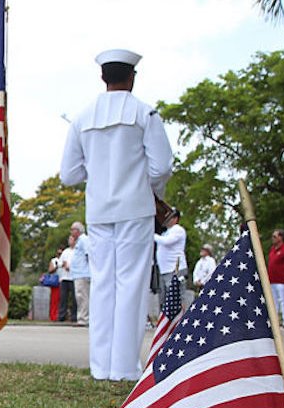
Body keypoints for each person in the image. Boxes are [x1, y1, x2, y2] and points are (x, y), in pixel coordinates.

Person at [60, 49, 173, 381]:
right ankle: (123, 367)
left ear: (102, 77)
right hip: (135, 209)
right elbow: (162, 167)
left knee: (103, 285)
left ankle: (101, 366)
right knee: (131, 286)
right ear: (132, 77)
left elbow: (69, 174)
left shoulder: (82, 118)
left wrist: (96, 171)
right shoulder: (145, 113)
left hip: (99, 211)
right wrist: (151, 191)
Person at [151, 207, 187, 319]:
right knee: (165, 297)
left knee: (176, 297)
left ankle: (180, 320)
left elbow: (167, 242)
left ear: (175, 219)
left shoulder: (178, 230)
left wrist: (151, 234)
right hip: (165, 270)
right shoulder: (165, 232)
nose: (166, 220)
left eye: (170, 217)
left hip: (175, 269)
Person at [267, 229, 284, 327]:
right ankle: (274, 321)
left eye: (275, 236)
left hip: (283, 280)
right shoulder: (272, 249)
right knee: (273, 302)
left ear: (281, 237)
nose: (273, 238)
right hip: (272, 279)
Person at [70, 222, 91, 326]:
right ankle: (82, 318)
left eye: (72, 229)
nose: (71, 232)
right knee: (80, 297)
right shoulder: (79, 241)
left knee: (83, 297)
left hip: (83, 273)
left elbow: (88, 254)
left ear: (77, 230)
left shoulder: (84, 239)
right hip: (78, 273)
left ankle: (84, 319)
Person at [57, 236, 76, 322]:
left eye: (71, 239)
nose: (70, 241)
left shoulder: (77, 251)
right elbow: (59, 263)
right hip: (64, 277)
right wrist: (63, 264)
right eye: (69, 239)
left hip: (73, 277)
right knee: (63, 297)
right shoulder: (65, 251)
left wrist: (70, 267)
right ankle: (62, 316)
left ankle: (74, 316)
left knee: (74, 298)